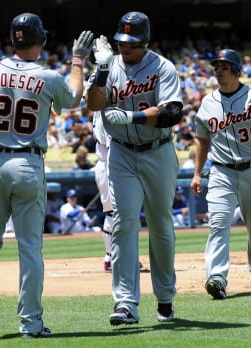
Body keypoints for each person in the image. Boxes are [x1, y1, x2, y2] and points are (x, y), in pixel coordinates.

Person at [0, 12, 93, 340]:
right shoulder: (45, 76)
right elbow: (74, 98)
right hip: (28, 163)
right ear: (41, 40)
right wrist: (77, 61)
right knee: (29, 247)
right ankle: (30, 323)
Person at [85, 11, 183, 324]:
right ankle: (125, 303)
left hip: (158, 151)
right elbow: (93, 104)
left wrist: (133, 117)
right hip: (122, 154)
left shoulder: (162, 67)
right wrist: (100, 71)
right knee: (124, 224)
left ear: (145, 42)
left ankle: (165, 298)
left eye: (132, 42)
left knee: (161, 226)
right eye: (121, 41)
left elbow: (172, 113)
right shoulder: (108, 64)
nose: (124, 47)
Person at [190, 48, 251, 300]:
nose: (219, 71)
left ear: (236, 70)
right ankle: (217, 278)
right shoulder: (208, 103)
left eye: (224, 66)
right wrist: (197, 173)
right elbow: (201, 140)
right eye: (216, 67)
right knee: (218, 223)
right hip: (221, 171)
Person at [91, 111, 113, 272]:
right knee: (114, 212)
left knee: (117, 212)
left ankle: (114, 256)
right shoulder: (105, 112)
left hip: (105, 162)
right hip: (108, 163)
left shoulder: (99, 110)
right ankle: (111, 257)